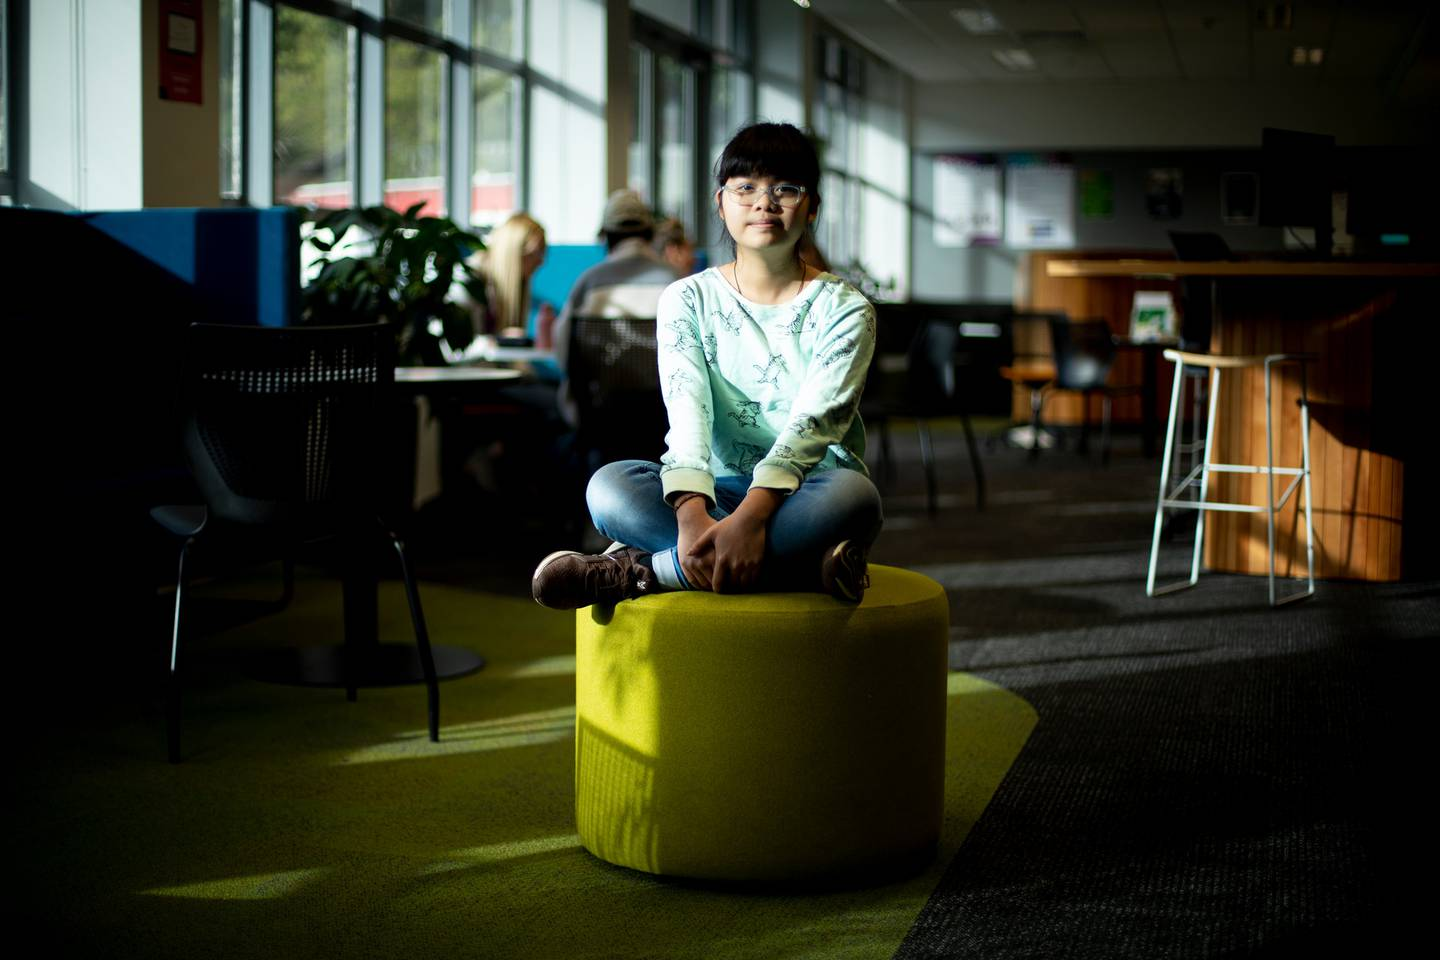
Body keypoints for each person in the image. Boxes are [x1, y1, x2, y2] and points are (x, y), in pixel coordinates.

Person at [532, 122, 882, 609]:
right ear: (721, 203)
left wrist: (752, 520)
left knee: (854, 497)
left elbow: (812, 427)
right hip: (713, 490)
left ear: (813, 207)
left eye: (786, 188)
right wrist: (692, 512)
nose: (765, 202)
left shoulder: (845, 309)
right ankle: (806, 567)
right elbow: (687, 415)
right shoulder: (686, 299)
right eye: (746, 188)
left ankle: (645, 572)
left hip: (807, 491)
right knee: (609, 486)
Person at [552, 189, 681, 426]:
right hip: (662, 419)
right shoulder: (675, 281)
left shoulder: (588, 284)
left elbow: (563, 357)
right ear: (651, 234)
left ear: (605, 236)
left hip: (599, 418)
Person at [471, 212, 556, 346]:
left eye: (543, 253)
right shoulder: (470, 279)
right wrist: (498, 341)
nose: (541, 261)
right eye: (537, 252)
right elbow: (456, 350)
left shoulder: (519, 287)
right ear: (514, 253)